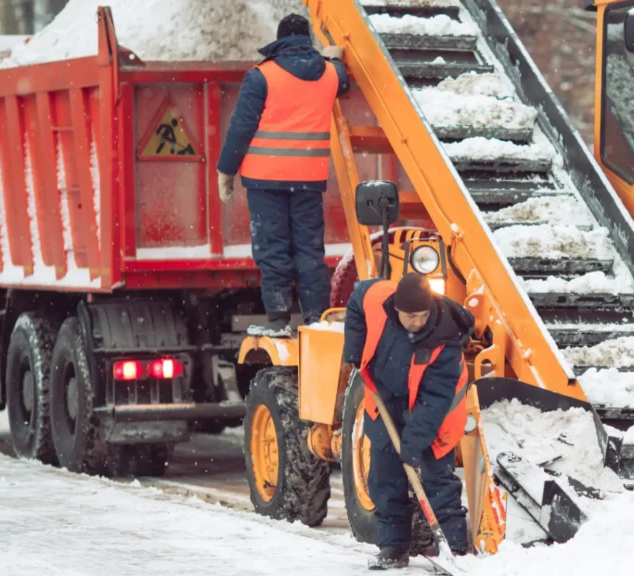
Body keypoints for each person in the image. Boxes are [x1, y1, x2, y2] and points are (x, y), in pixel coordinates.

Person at [216, 13, 350, 337]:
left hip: (265, 180)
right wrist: (335, 59)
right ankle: (316, 318)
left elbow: (241, 128)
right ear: (307, 40)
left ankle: (277, 319)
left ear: (278, 41)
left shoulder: (261, 76)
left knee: (273, 246)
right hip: (307, 179)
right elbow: (344, 79)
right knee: (308, 249)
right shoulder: (330, 75)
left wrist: (226, 170)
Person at [342, 273, 474, 570]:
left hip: (436, 411)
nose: (416, 322)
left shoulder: (446, 339)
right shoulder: (379, 301)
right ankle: (393, 547)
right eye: (410, 316)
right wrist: (353, 347)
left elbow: (436, 399)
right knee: (384, 476)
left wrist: (413, 443)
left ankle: (455, 550)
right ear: (397, 309)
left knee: (436, 478)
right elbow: (356, 298)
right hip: (386, 400)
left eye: (422, 315)